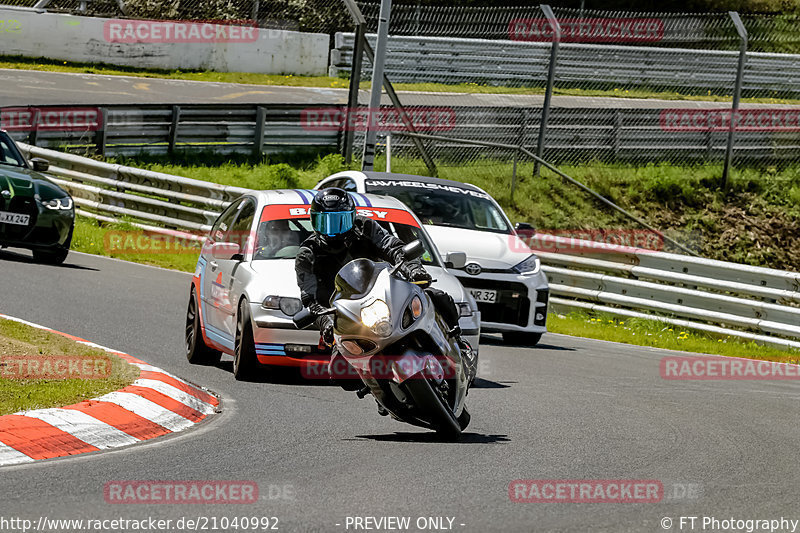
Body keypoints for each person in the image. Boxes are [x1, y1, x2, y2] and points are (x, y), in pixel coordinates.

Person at [295, 187, 474, 392]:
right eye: (325, 222)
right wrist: (326, 322)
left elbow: (394, 247)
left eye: (340, 221)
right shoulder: (307, 254)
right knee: (340, 372)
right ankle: (379, 388)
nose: (332, 230)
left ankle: (459, 343)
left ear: (352, 218)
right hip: (346, 315)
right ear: (314, 221)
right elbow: (309, 298)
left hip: (385, 293)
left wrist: (414, 269)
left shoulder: (366, 227)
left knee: (437, 296)